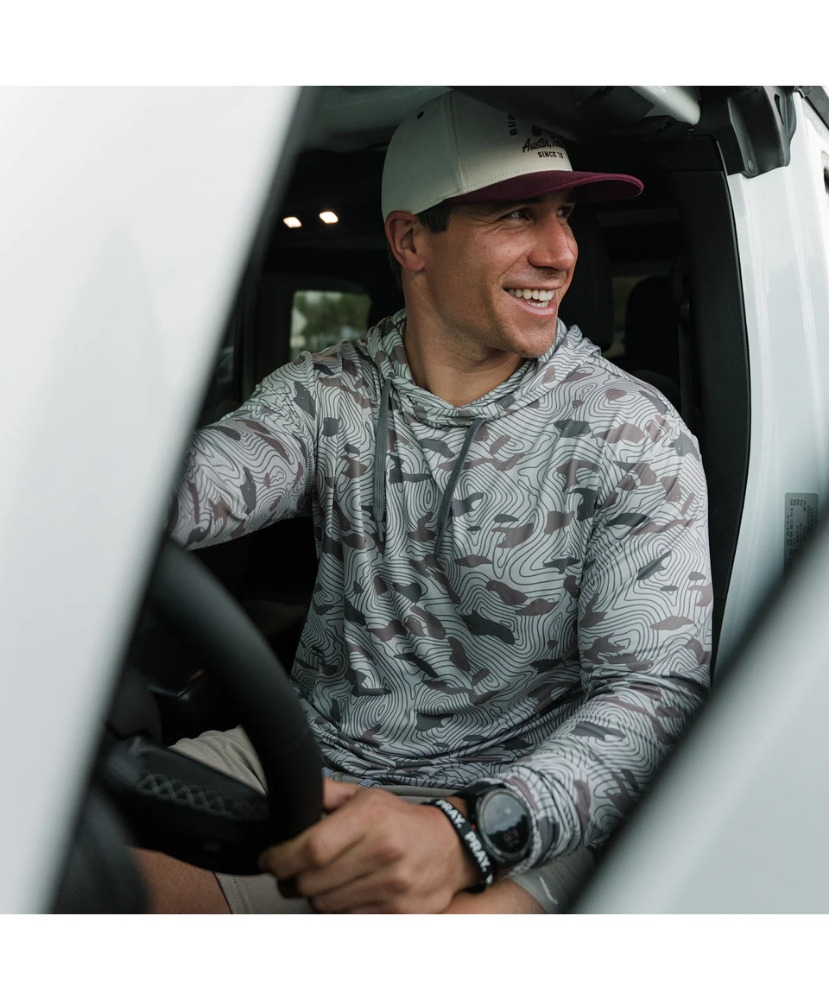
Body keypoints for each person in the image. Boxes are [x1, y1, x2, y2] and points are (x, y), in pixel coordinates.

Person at [141, 90, 712, 915]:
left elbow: (654, 700)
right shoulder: (327, 393)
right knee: (69, 852)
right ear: (411, 239)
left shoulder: (630, 432)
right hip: (315, 766)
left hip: (529, 802)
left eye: (563, 214)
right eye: (517, 214)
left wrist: (468, 834)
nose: (561, 251)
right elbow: (181, 493)